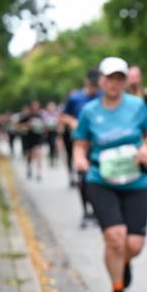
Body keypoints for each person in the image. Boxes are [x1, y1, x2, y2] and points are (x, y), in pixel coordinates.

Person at [73, 57, 147, 292]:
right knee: (114, 238)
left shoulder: (137, 106)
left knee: (133, 245)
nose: (114, 83)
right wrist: (79, 158)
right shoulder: (89, 111)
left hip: (135, 180)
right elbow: (81, 142)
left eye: (120, 78)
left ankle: (123, 262)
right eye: (109, 78)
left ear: (125, 81)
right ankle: (117, 288)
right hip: (101, 180)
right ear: (100, 80)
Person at [62, 69, 100, 226]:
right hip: (81, 143)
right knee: (83, 178)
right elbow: (64, 115)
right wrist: (72, 122)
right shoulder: (75, 98)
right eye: (91, 85)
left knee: (98, 178)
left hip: (98, 144)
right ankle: (86, 211)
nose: (93, 89)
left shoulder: (103, 97)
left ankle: (99, 210)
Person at [19, 101, 46, 181]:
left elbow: (44, 126)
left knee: (39, 154)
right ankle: (29, 167)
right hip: (28, 138)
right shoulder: (27, 116)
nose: (35, 108)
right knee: (29, 155)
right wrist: (28, 125)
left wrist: (43, 128)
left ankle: (39, 173)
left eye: (36, 107)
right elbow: (18, 125)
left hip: (38, 138)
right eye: (34, 107)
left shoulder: (41, 116)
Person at [42, 102, 61, 168]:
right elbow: (44, 124)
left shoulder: (56, 114)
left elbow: (59, 123)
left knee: (54, 145)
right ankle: (51, 159)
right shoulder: (45, 114)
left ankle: (55, 157)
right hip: (49, 132)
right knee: (50, 146)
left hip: (54, 132)